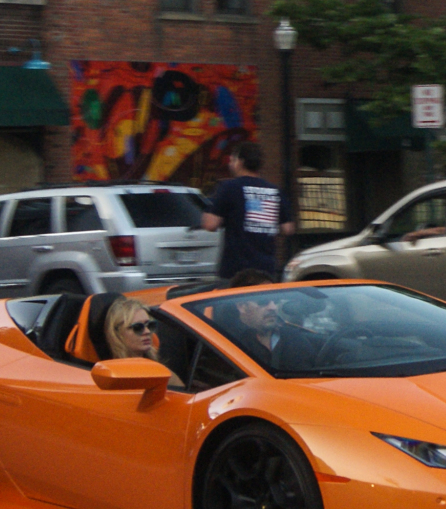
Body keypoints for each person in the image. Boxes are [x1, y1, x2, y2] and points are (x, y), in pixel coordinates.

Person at [201, 142, 296, 279]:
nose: (230, 164)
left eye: (232, 160)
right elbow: (288, 228)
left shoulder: (229, 187)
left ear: (240, 162)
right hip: (266, 269)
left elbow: (210, 224)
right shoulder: (275, 191)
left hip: (236, 270)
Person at [103, 297, 184, 387]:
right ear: (117, 333)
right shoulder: (113, 375)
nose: (147, 331)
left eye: (150, 325)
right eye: (137, 327)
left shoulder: (157, 369)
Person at [231, 293, 320, 372]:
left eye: (276, 301)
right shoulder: (228, 341)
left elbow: (313, 374)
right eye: (263, 301)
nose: (273, 307)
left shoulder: (293, 336)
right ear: (242, 306)